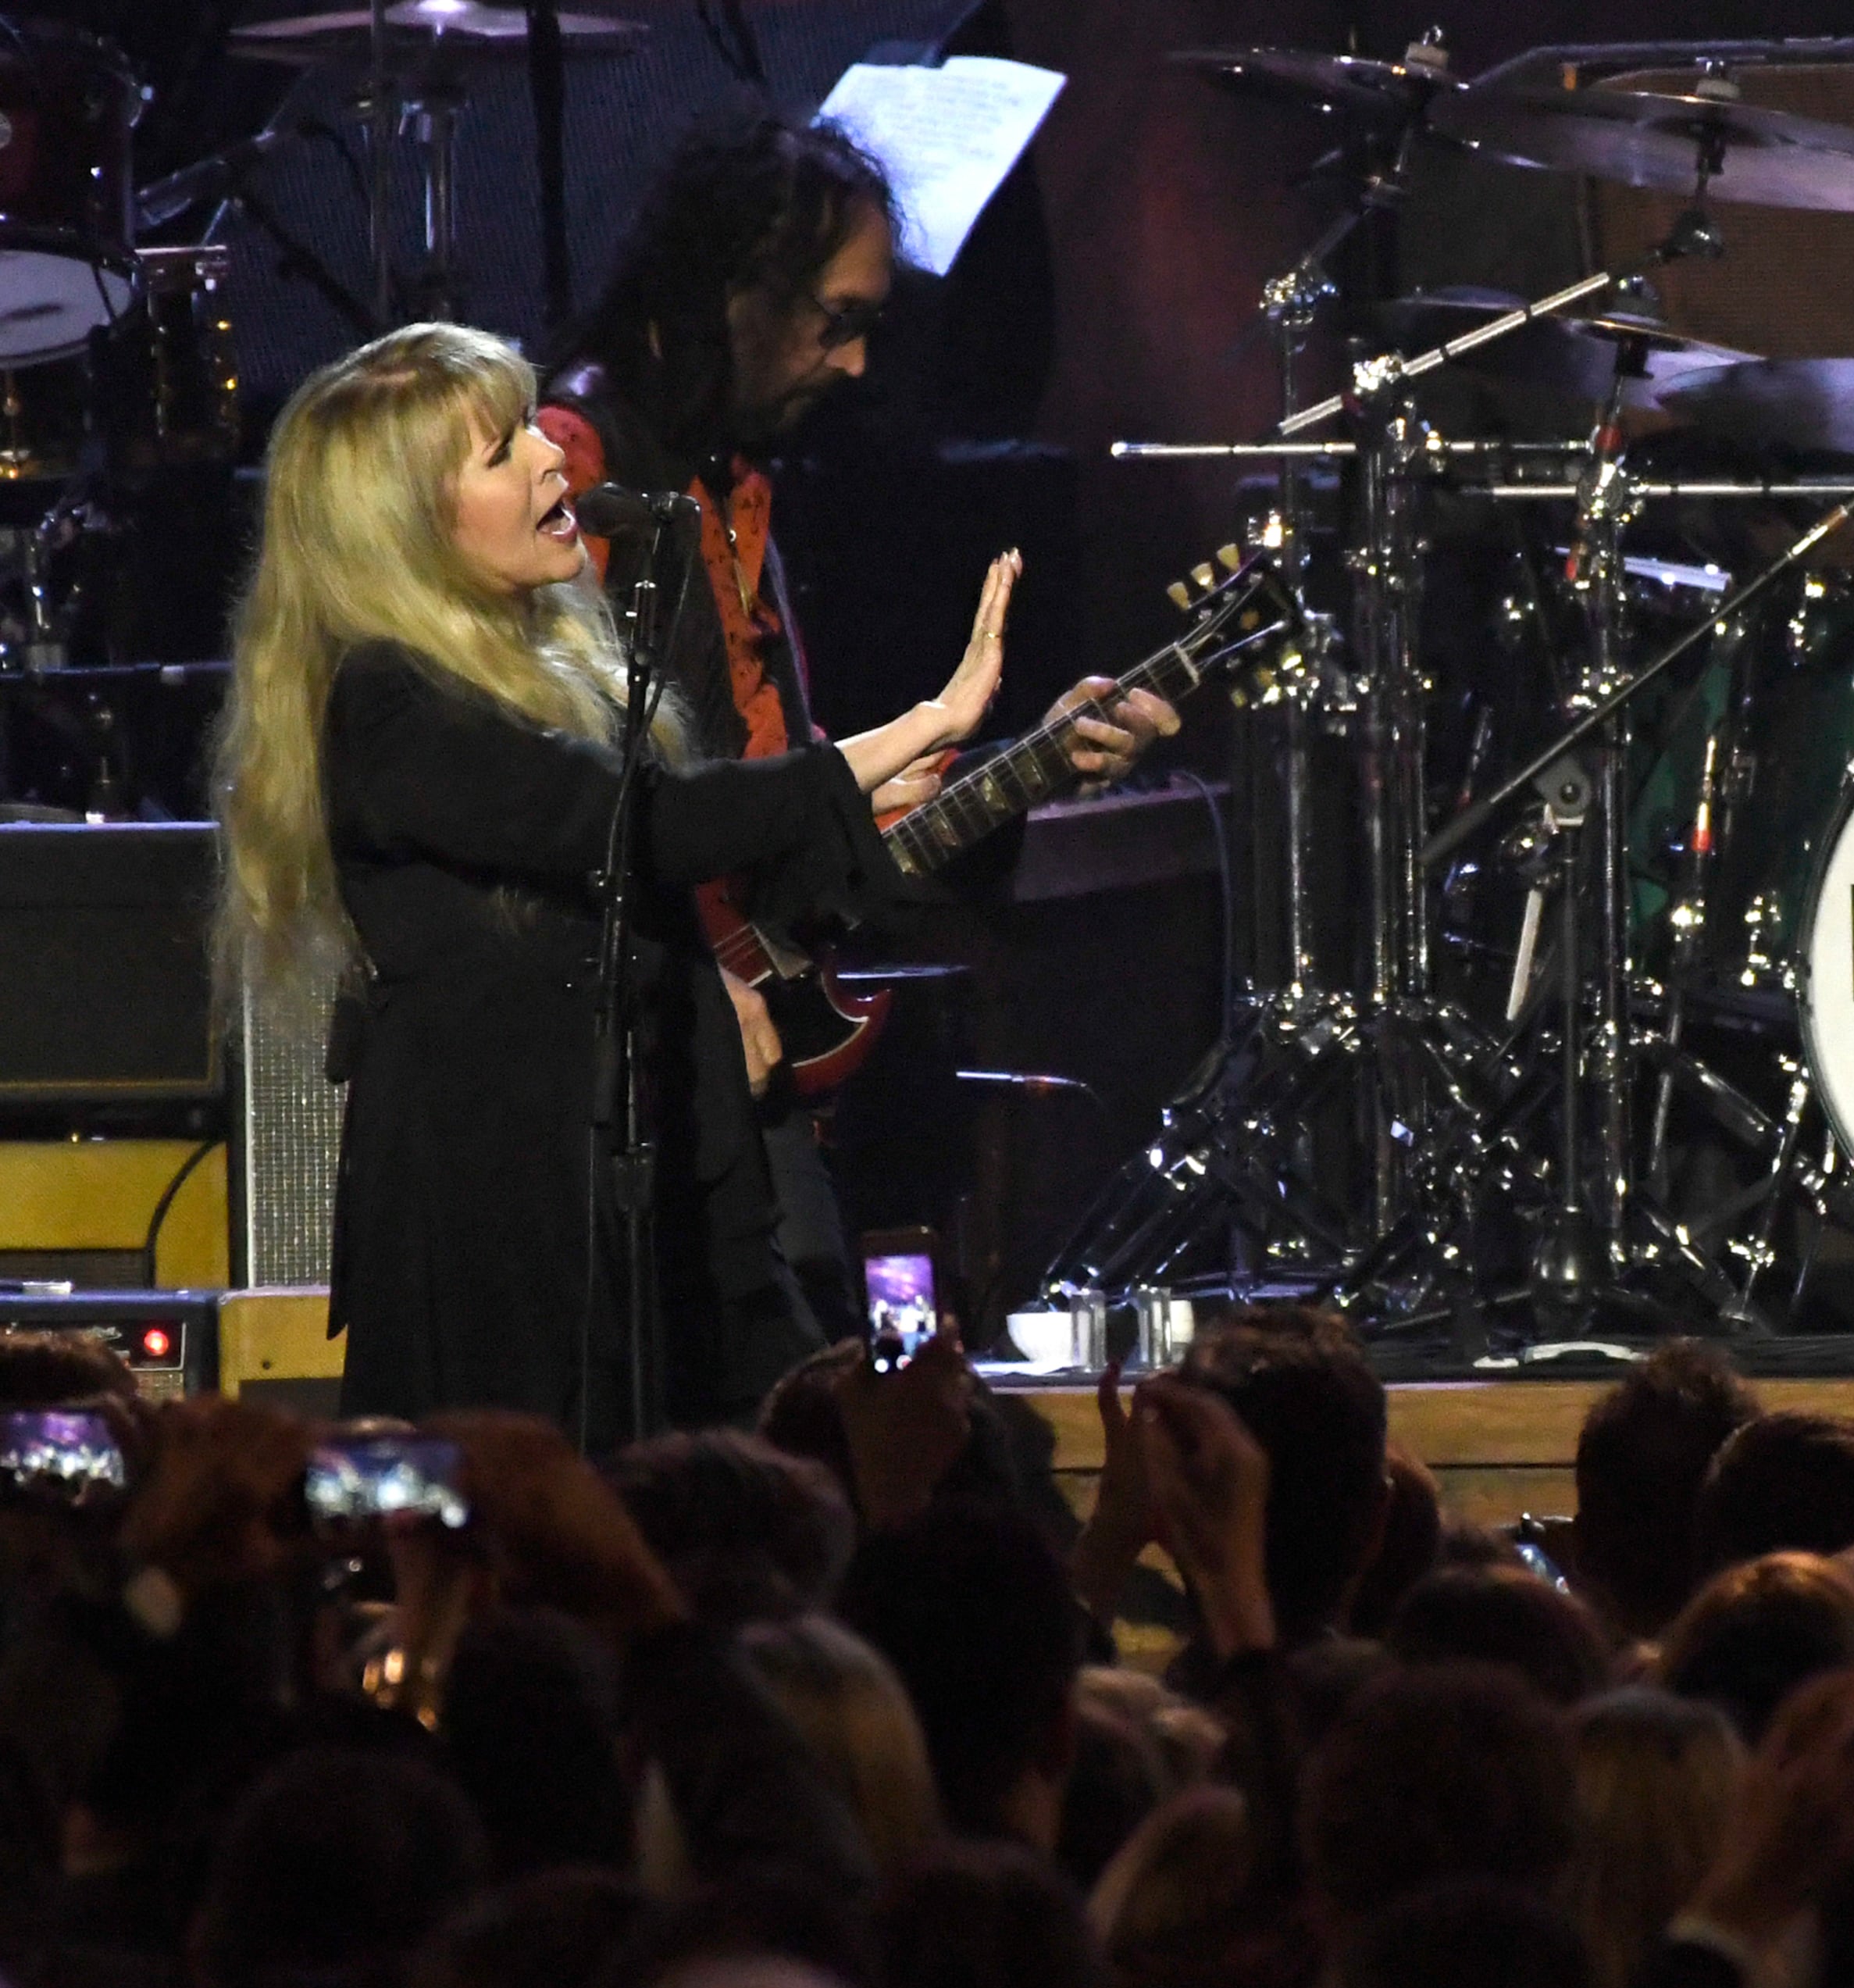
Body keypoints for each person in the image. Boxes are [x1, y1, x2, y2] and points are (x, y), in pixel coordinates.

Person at [212, 323, 1002, 1436]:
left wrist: (959, 772)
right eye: (502, 451)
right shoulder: (385, 705)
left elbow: (680, 862)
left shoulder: (552, 663)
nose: (550, 457)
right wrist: (918, 724)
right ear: (406, 529)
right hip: (510, 1224)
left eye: (533, 422)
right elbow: (648, 827)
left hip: (660, 1183)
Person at [541, 113, 1179, 1344]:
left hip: (741, 1046)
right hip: (634, 1062)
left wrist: (1028, 762)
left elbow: (793, 807)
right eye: (838, 320)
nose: (854, 366)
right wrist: (670, 977)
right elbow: (557, 801)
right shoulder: (573, 469)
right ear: (735, 292)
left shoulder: (735, 489)